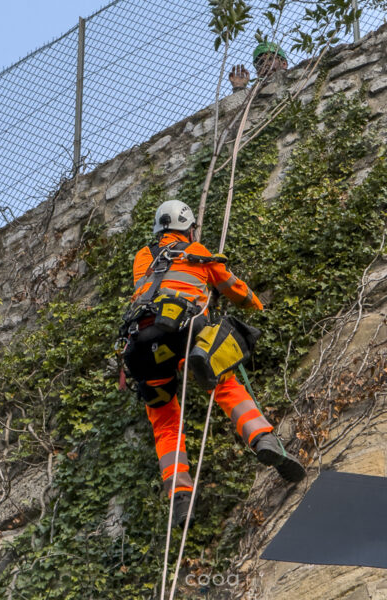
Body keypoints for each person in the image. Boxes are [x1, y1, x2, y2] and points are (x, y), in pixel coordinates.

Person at [121, 200, 306, 528]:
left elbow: (151, 288)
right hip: (187, 330)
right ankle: (263, 438)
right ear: (189, 228)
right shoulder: (198, 251)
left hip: (141, 345)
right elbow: (233, 288)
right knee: (225, 384)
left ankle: (179, 493)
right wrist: (258, 305)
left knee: (165, 423)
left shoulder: (142, 258)